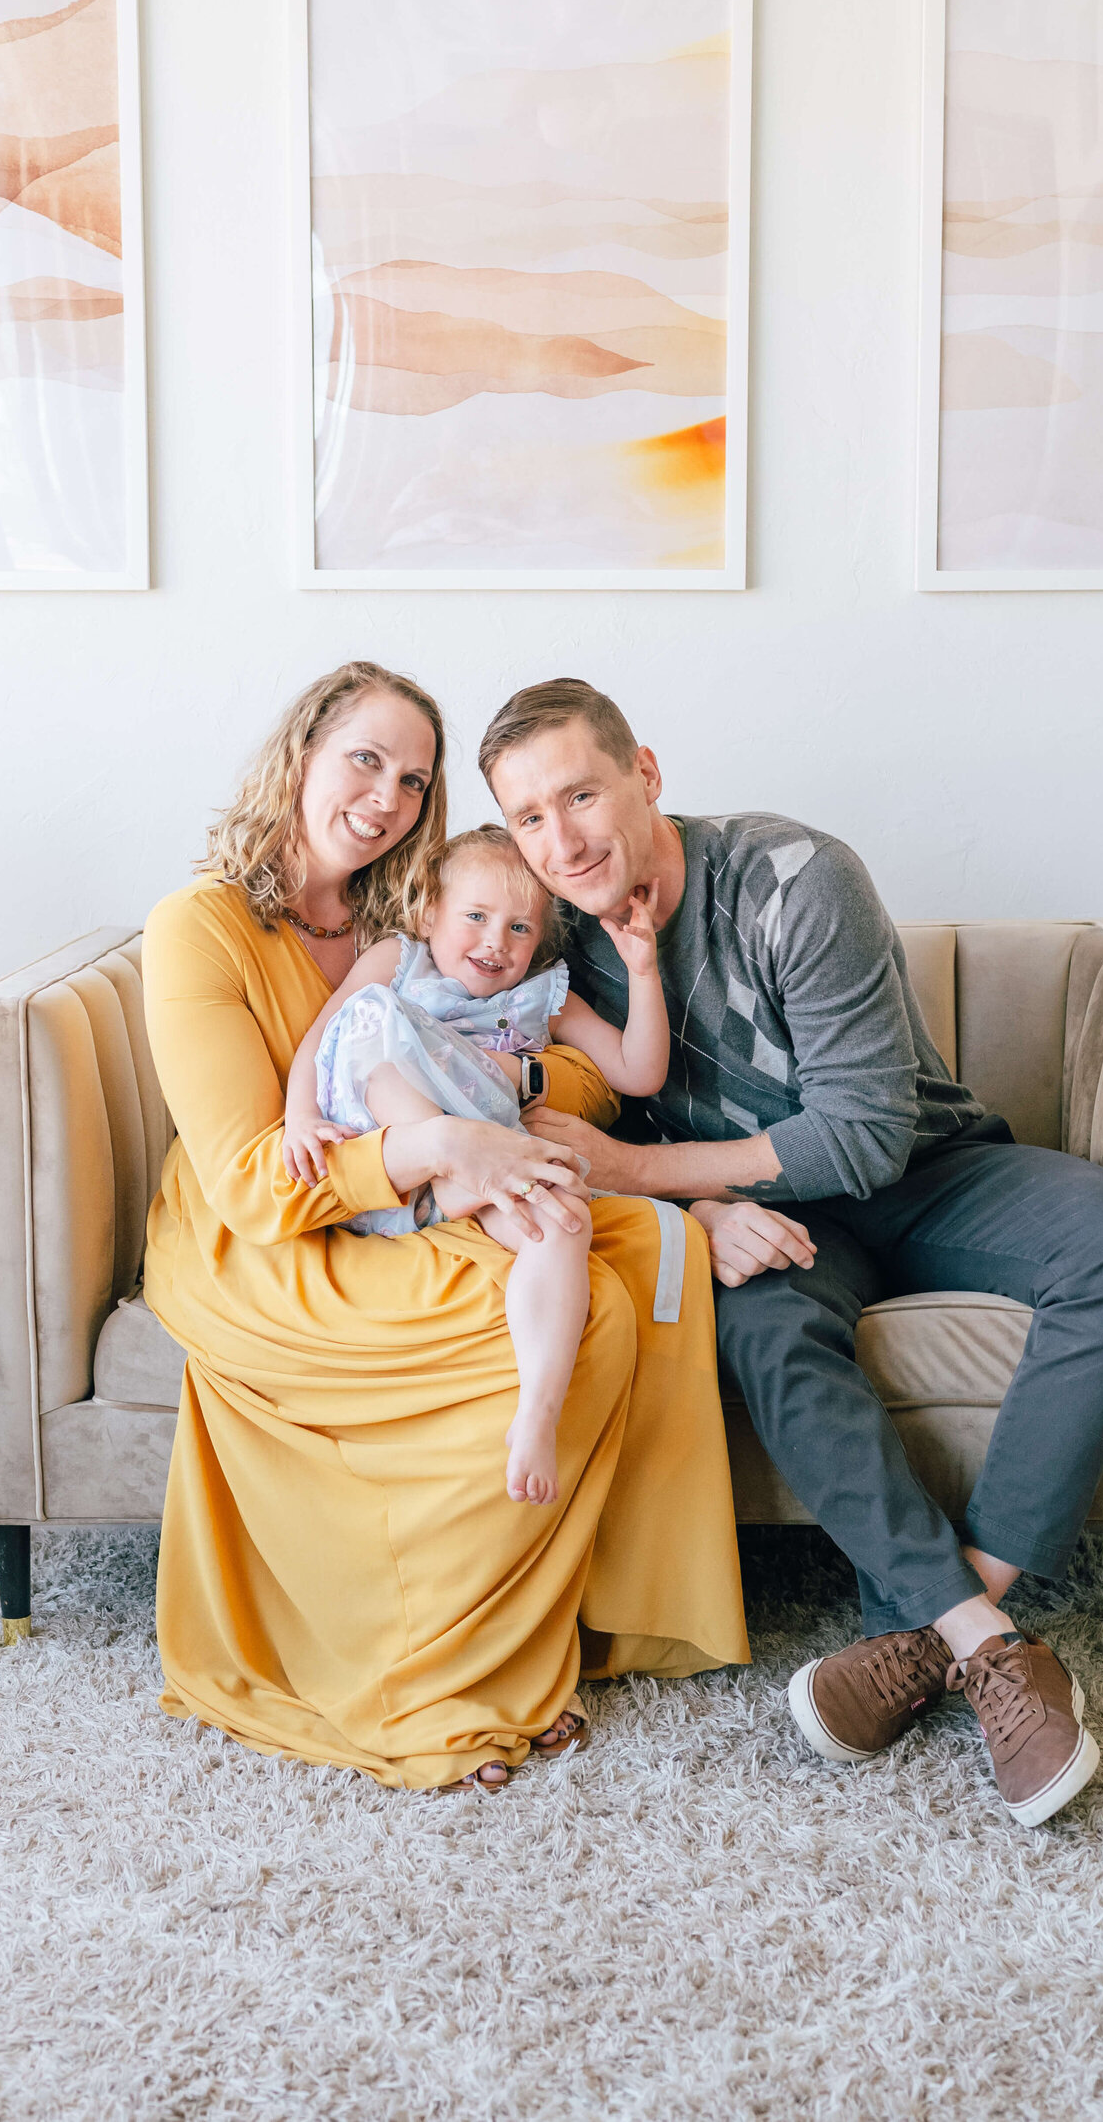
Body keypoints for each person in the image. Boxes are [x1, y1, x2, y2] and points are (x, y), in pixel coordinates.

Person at [480, 676, 1103, 1829]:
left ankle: (931, 1631)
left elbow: (862, 1131)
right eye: (527, 816)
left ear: (645, 772)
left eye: (580, 793)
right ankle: (989, 1646)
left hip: (923, 1172)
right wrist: (699, 1216)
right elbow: (572, 1126)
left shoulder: (792, 878)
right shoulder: (536, 945)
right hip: (763, 1218)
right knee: (762, 1326)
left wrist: (658, 1177)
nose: (560, 839)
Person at [140, 661, 748, 1795]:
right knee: (572, 1314)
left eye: (412, 779)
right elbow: (254, 1177)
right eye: (364, 759)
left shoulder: (419, 908)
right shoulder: (201, 927)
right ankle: (445, 1675)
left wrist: (503, 1095)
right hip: (274, 1234)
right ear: (303, 752)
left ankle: (587, 1620)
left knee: (645, 1256)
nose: (386, 797)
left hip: (421, 1182)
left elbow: (592, 1077)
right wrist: (436, 1150)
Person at [281, 823, 669, 1505]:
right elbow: (324, 1035)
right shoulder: (397, 962)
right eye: (477, 917)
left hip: (487, 1171)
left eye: (520, 927)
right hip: (399, 1152)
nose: (497, 942)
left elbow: (638, 1070)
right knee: (373, 1014)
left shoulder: (542, 994)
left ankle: (538, 1411)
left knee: (566, 1222)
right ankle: (446, 1153)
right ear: (430, 910)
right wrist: (299, 1115)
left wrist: (643, 970)